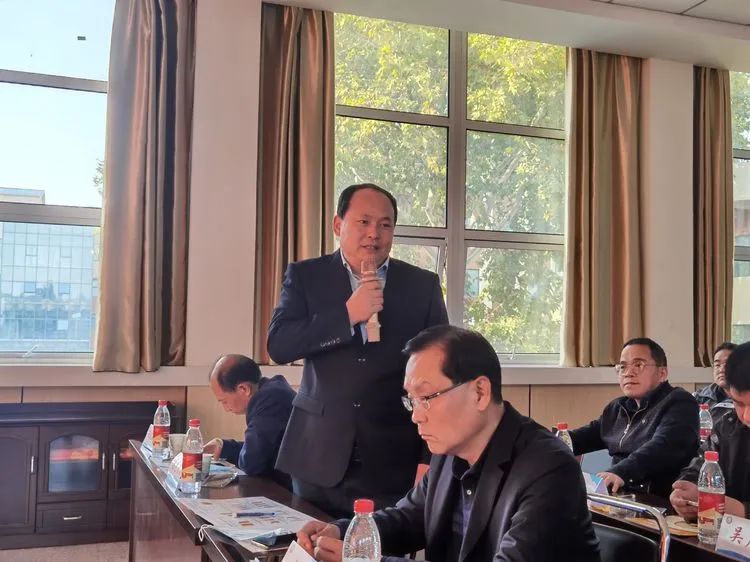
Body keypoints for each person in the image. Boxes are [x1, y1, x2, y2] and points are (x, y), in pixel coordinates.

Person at [297, 325, 601, 562]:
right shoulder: (449, 453)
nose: (416, 416)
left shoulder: (548, 470)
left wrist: (367, 559)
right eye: (411, 400)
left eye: (426, 397)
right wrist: (345, 532)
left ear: (480, 393)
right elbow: (410, 518)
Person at [267, 183, 449, 518]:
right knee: (314, 542)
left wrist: (429, 458)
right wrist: (347, 315)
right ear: (338, 225)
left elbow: (441, 375)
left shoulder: (421, 285)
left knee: (385, 543)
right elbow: (279, 345)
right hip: (316, 455)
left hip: (393, 459)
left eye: (385, 224)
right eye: (363, 222)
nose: (373, 234)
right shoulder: (307, 276)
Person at [569, 337, 699, 497]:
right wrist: (547, 439)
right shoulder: (618, 408)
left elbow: (663, 446)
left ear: (662, 373)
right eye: (623, 367)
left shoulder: (679, 402)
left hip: (658, 499)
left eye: (638, 365)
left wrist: (620, 472)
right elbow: (582, 438)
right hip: (621, 495)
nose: (628, 373)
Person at [671, 340, 750, 521]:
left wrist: (742, 510)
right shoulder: (727, 426)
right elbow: (702, 463)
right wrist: (687, 492)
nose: (746, 416)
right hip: (723, 531)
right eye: (739, 403)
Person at [202, 354, 295, 488]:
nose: (226, 409)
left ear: (244, 389)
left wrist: (235, 452)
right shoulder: (272, 390)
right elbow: (260, 450)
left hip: (295, 491)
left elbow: (252, 463)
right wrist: (223, 446)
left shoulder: (270, 401)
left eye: (224, 401)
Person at [694, 342, 737, 423]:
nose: (721, 370)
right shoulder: (700, 397)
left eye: (727, 364)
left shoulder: (745, 401)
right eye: (717, 365)